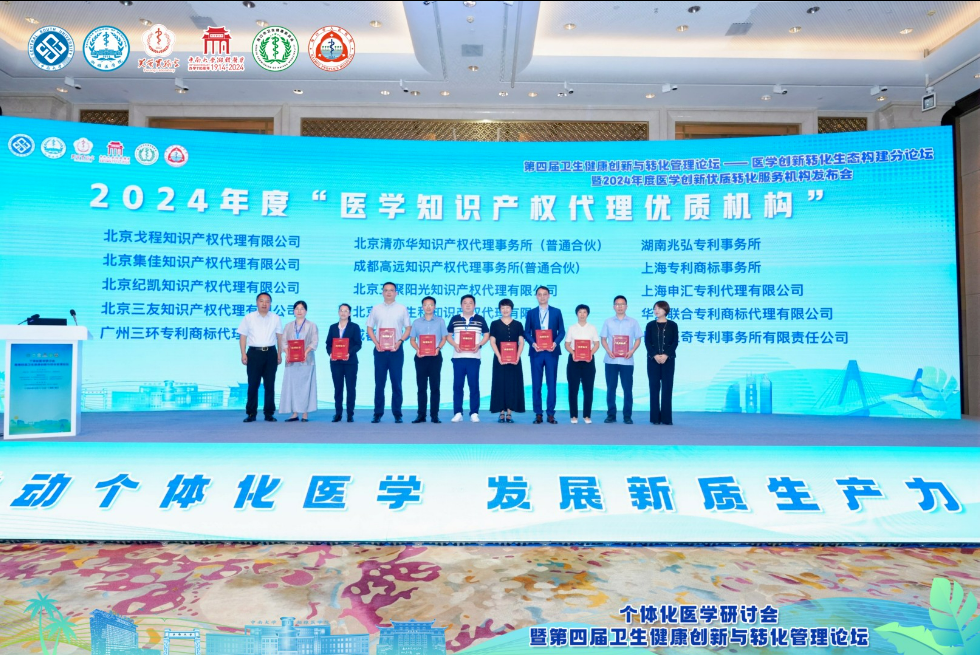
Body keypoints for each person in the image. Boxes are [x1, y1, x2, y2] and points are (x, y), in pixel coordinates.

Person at [366, 282, 411, 423]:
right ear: (382, 292)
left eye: (391, 290)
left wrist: (400, 341)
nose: (389, 292)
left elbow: (408, 328)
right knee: (379, 383)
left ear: (396, 293)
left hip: (396, 350)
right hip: (379, 350)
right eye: (386, 290)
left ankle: (397, 413)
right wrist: (376, 343)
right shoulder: (376, 309)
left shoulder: (402, 308)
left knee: (396, 382)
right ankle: (377, 413)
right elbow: (369, 328)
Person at [238, 291, 283, 422]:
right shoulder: (249, 317)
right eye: (261, 301)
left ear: (270, 304)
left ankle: (269, 413)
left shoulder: (275, 318)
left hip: (270, 353)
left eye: (267, 301)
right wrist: (243, 353)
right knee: (253, 384)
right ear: (257, 303)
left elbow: (279, 337)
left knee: (270, 385)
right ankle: (251, 413)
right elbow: (243, 337)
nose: (264, 304)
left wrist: (279, 353)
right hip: (254, 353)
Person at [524, 286, 565, 424]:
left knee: (551, 384)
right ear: (536, 296)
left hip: (551, 352)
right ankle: (538, 414)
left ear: (549, 296)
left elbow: (562, 332)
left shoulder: (556, 312)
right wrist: (533, 343)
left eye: (544, 294)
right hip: (536, 352)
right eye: (539, 294)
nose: (542, 297)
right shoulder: (531, 313)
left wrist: (555, 343)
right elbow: (526, 332)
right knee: (536, 384)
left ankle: (551, 413)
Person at [446, 294, 490, 422]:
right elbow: (448, 335)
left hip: (474, 358)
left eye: (470, 303)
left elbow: (487, 334)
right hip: (458, 357)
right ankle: (458, 413)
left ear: (474, 305)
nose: (468, 305)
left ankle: (474, 413)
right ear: (461, 305)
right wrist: (455, 345)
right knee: (458, 386)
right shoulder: (455, 319)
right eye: (465, 303)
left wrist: (479, 345)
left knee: (474, 385)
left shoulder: (480, 319)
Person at [600, 295, 643, 424]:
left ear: (626, 306)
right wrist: (608, 351)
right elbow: (603, 339)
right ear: (614, 306)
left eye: (622, 304)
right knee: (611, 389)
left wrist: (632, 351)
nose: (620, 306)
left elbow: (638, 339)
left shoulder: (633, 322)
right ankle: (611, 415)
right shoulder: (608, 321)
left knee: (627, 389)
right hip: (611, 360)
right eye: (617, 304)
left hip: (627, 361)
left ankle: (627, 416)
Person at [409, 296, 449, 424]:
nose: (428, 307)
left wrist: (438, 348)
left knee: (435, 387)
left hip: (435, 357)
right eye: (425, 305)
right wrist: (417, 349)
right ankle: (421, 415)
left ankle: (434, 415)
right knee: (421, 387)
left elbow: (444, 338)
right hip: (420, 357)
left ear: (434, 307)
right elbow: (412, 340)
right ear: (422, 307)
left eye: (431, 305)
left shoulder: (440, 321)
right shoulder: (416, 322)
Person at [280, 300, 319, 422]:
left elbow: (314, 342)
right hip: (291, 361)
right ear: (293, 311)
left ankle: (305, 413)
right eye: (297, 308)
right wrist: (287, 352)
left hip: (306, 360)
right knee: (293, 387)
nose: (299, 311)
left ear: (306, 311)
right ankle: (295, 413)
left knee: (305, 387)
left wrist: (305, 352)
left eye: (302, 309)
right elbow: (283, 341)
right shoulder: (288, 326)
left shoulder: (312, 325)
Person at [489, 298, 526, 422]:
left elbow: (521, 342)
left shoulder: (518, 324)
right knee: (500, 384)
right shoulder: (494, 324)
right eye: (503, 307)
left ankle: (509, 413)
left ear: (512, 309)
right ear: (500, 309)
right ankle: (501, 412)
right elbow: (492, 341)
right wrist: (499, 356)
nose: (505, 310)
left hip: (514, 360)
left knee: (512, 384)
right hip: (499, 359)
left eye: (508, 307)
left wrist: (518, 356)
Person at [564, 303, 600, 424]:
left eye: (584, 312)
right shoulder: (572, 328)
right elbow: (567, 344)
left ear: (587, 314)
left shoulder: (592, 328)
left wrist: (590, 354)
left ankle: (587, 415)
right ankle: (573, 415)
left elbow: (597, 344)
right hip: (574, 361)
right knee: (573, 389)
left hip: (588, 362)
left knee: (588, 389)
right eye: (580, 312)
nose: (582, 314)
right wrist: (573, 353)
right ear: (576, 314)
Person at [326, 303, 362, 422]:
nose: (343, 313)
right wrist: (331, 353)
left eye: (346, 311)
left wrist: (349, 353)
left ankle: (350, 414)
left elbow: (358, 344)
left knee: (351, 388)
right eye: (341, 310)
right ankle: (338, 413)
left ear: (349, 313)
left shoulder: (354, 327)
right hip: (336, 363)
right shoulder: (332, 327)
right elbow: (328, 344)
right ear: (338, 312)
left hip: (350, 362)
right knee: (338, 388)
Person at [646, 300, 679, 425]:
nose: (656, 311)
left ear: (665, 310)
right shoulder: (650, 325)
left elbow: (675, 342)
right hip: (653, 361)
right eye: (655, 308)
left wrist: (666, 355)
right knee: (654, 388)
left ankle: (666, 418)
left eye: (659, 308)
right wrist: (655, 355)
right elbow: (647, 342)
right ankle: (655, 418)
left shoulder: (673, 325)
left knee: (667, 388)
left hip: (668, 361)